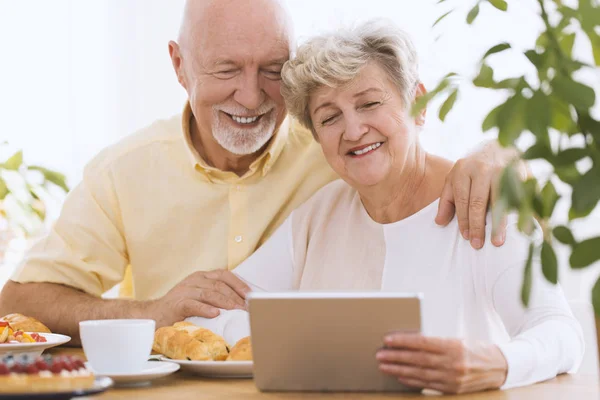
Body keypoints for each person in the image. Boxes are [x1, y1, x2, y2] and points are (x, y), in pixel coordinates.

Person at [0, 0, 516, 343]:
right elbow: (20, 300)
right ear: (179, 66)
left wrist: (501, 155)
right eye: (226, 70)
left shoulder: (335, 143)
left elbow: (422, 159)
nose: (250, 97)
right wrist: (151, 312)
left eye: (272, 70)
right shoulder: (123, 172)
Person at [189, 19, 583, 394]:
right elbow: (215, 311)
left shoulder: (479, 197)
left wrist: (497, 364)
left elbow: (559, 332)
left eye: (369, 103)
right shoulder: (318, 216)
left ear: (419, 104)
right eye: (330, 118)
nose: (354, 130)